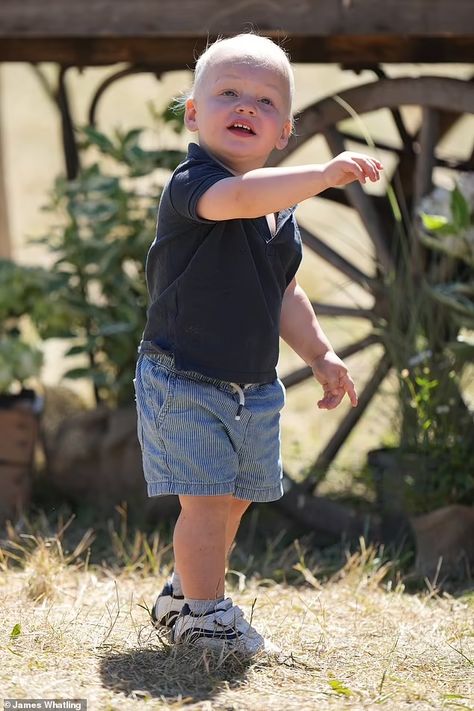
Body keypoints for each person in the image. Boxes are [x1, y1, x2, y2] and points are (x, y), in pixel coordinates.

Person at [134, 32, 382, 656]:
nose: (246, 105)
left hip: (252, 386)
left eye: (265, 101)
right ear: (193, 114)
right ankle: (207, 612)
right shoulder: (195, 185)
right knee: (208, 501)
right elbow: (240, 198)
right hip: (184, 377)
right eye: (228, 93)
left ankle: (181, 594)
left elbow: (285, 292)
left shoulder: (279, 212)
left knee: (239, 498)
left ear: (283, 133)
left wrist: (321, 355)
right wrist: (323, 176)